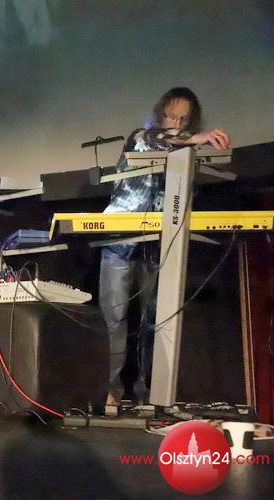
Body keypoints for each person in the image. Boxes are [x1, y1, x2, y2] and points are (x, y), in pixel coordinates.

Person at [100, 87, 230, 406]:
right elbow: (154, 138)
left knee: (153, 322)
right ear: (160, 114)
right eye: (171, 116)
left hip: (159, 242)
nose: (176, 123)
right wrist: (195, 138)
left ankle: (149, 396)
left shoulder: (187, 153)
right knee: (114, 320)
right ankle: (109, 393)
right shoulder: (141, 136)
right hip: (120, 238)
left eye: (183, 119)